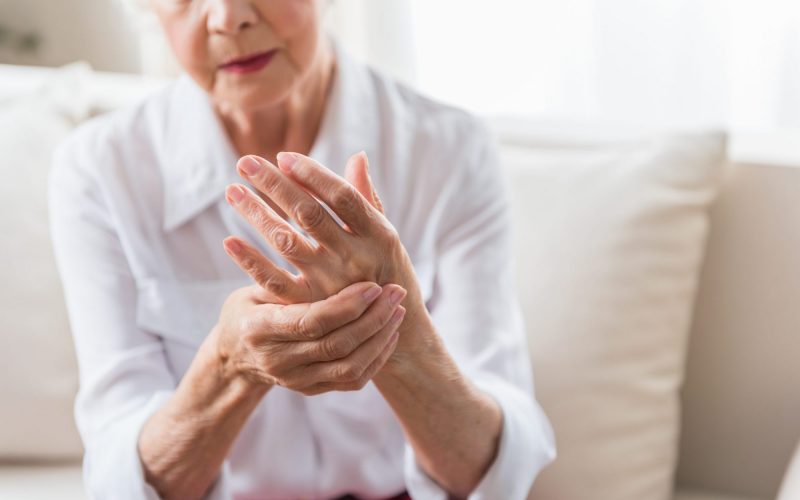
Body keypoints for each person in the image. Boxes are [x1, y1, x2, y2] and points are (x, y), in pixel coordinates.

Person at [48, 0, 555, 498]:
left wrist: (401, 331)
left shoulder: (448, 151)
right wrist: (227, 366)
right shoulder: (101, 170)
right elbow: (120, 479)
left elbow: (496, 475)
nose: (228, 17)